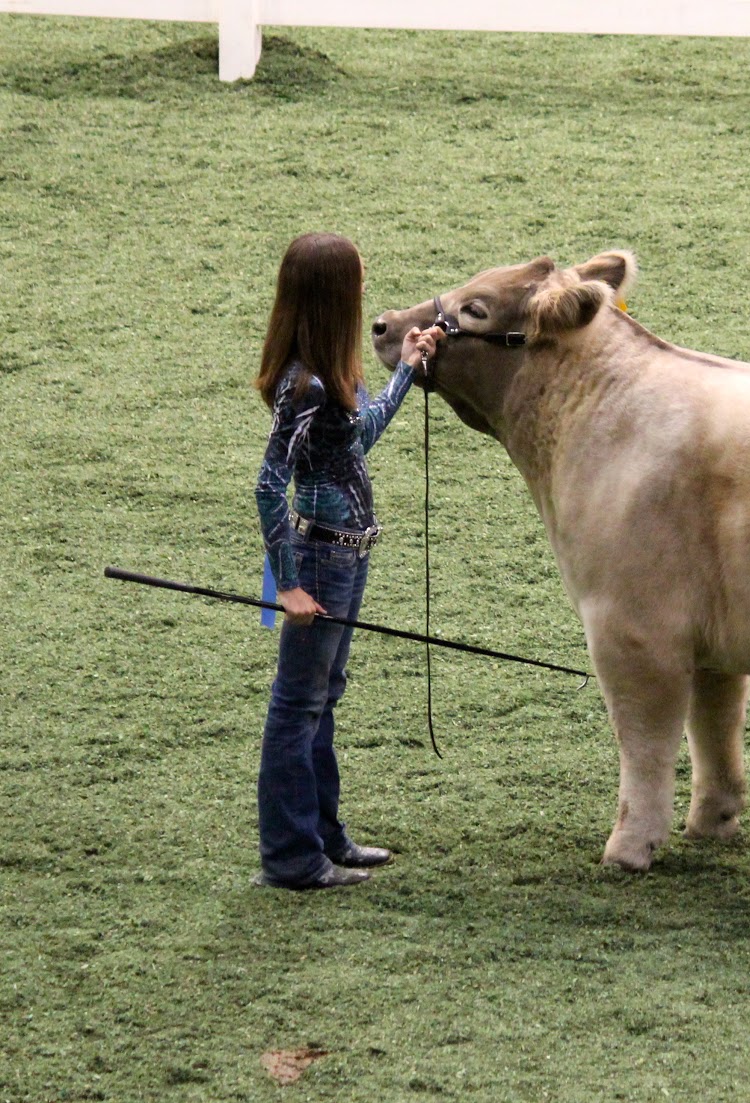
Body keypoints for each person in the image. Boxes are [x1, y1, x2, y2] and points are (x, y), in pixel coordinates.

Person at [250, 232, 441, 890]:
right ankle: (291, 857)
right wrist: (289, 587)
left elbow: (358, 438)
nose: (365, 289)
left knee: (320, 700)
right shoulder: (304, 386)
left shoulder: (328, 374)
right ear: (334, 294)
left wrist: (407, 369)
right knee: (298, 704)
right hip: (319, 557)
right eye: (357, 280)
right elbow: (269, 485)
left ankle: (324, 836)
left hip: (345, 555)